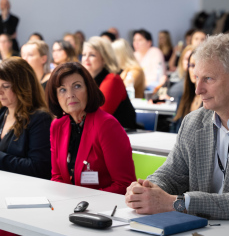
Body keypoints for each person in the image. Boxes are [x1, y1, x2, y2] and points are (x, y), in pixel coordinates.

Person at [125, 34, 229, 227]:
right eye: (197, 77)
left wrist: (178, 203)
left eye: (208, 78)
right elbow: (171, 174)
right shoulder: (193, 122)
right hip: (202, 228)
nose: (198, 89)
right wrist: (146, 189)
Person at [46, 62, 136, 195]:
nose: (70, 95)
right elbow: (57, 177)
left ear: (88, 89)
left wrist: (81, 200)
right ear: (56, 97)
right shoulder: (57, 126)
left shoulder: (107, 125)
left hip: (103, 209)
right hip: (69, 205)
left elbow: (124, 185)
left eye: (77, 86)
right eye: (62, 89)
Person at [0, 57, 52, 178]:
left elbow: (39, 167)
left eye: (6, 86)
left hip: (26, 192)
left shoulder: (40, 118)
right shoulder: (3, 113)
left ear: (22, 87)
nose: (0, 91)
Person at [82, 36, 136, 129]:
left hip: (119, 134)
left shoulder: (112, 79)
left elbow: (100, 115)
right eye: (83, 54)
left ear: (104, 58)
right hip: (98, 131)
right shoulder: (86, 79)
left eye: (92, 55)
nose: (86, 59)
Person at [171, 51, 201, 133]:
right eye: (191, 65)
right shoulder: (183, 97)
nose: (194, 70)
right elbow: (174, 127)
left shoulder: (210, 101)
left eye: (198, 66)